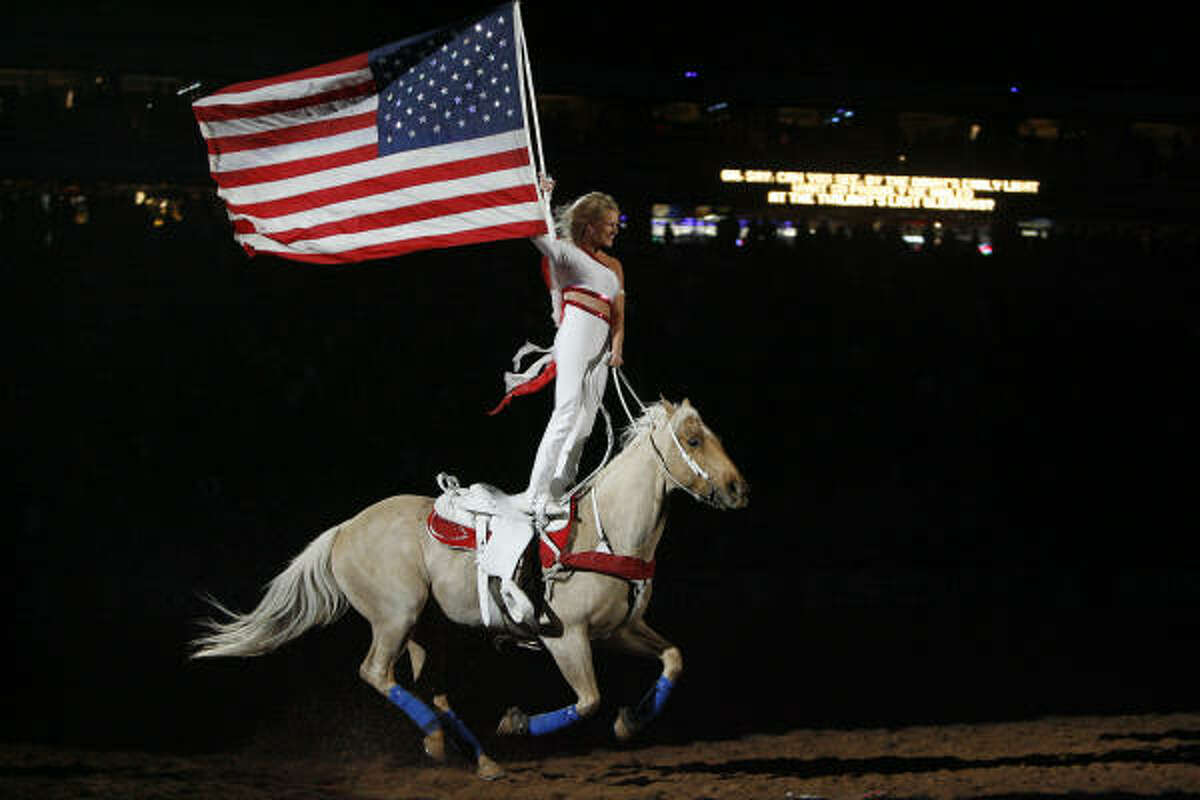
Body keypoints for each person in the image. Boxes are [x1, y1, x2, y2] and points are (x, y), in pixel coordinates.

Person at [524, 180, 626, 524]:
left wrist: (616, 349)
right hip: (575, 330)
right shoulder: (567, 253)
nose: (616, 230)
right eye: (610, 224)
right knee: (566, 411)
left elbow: (619, 314)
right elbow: (537, 234)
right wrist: (543, 195)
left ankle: (559, 490)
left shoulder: (614, 266)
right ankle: (534, 492)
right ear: (590, 225)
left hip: (601, 344)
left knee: (585, 424)